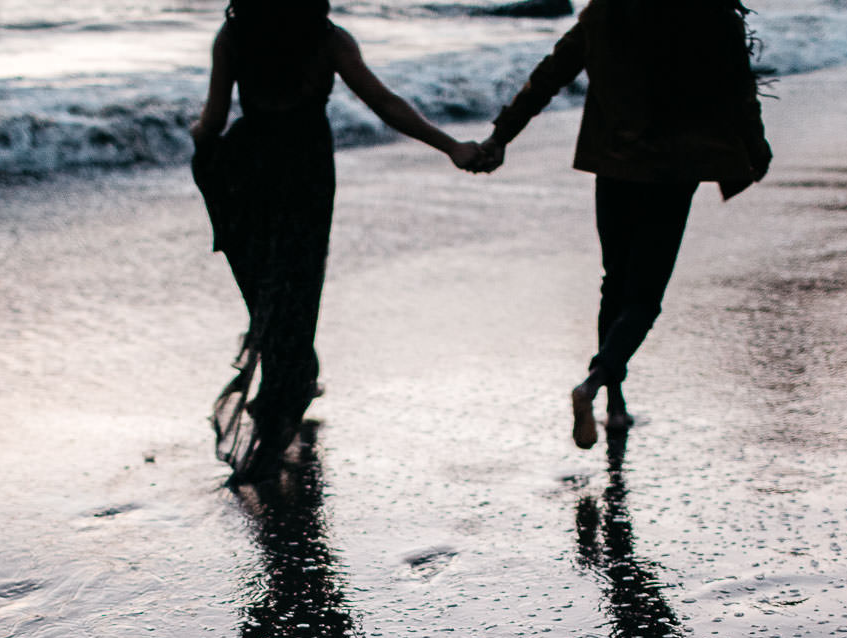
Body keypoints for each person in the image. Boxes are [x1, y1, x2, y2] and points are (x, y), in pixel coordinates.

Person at [192, 1, 488, 483]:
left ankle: (288, 380)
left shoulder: (234, 37)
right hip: (306, 166)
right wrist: (451, 146)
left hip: (252, 167)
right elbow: (387, 105)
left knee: (265, 279)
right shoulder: (328, 39)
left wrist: (198, 134)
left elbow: (216, 118)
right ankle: (291, 382)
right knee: (298, 278)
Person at [476, 0, 772, 448]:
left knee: (614, 283)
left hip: (613, 164)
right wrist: (756, 148)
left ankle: (615, 405)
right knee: (644, 296)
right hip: (674, 171)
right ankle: (595, 383)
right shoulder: (710, 13)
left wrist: (501, 136)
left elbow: (550, 75)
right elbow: (739, 90)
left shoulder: (607, 11)